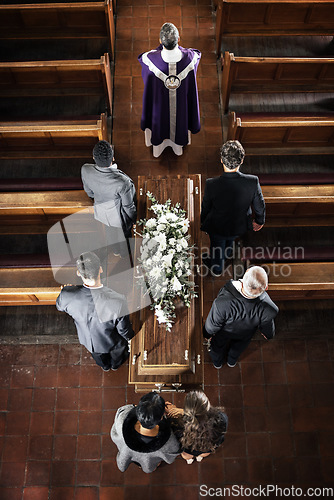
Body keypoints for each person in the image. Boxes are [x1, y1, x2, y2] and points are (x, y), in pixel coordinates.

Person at [56, 251, 134, 371]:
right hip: (112, 341)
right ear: (101, 269)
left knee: (100, 360)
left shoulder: (67, 295)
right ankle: (115, 366)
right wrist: (131, 338)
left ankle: (105, 367)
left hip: (88, 341)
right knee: (117, 358)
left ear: (78, 273)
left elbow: (59, 306)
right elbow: (124, 330)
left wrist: (68, 290)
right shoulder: (118, 301)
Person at [200, 140, 265, 277]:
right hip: (239, 225)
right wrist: (259, 220)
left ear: (221, 160)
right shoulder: (252, 181)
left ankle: (217, 269)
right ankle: (228, 252)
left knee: (217, 247)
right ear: (241, 161)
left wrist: (204, 223)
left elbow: (206, 206)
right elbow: (259, 205)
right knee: (230, 240)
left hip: (217, 226)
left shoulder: (211, 184)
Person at [138, 22, 201, 157]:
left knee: (160, 120)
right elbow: (195, 53)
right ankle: (178, 147)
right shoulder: (191, 58)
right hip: (181, 107)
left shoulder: (150, 60)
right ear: (178, 39)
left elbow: (144, 59)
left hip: (159, 109)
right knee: (179, 119)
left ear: (160, 41)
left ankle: (158, 148)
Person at [204, 266, 279, 369]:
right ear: (266, 287)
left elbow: (213, 324)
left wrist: (207, 334)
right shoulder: (270, 308)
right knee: (238, 348)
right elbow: (267, 326)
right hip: (246, 334)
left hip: (224, 332)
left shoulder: (221, 302)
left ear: (245, 274)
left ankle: (217, 363)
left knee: (217, 347)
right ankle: (232, 361)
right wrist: (269, 335)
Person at [81, 140, 137, 255]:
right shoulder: (122, 182)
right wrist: (134, 219)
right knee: (125, 236)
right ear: (113, 158)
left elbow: (90, 193)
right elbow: (128, 206)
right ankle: (126, 254)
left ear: (93, 157)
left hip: (102, 213)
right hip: (119, 218)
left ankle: (116, 251)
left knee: (109, 231)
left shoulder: (85, 169)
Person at [111, 392, 180, 473]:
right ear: (161, 417)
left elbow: (124, 411)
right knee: (148, 465)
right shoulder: (169, 440)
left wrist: (150, 410)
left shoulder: (122, 419)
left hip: (127, 452)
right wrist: (162, 412)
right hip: (149, 460)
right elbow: (171, 456)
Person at [165, 391, 228, 464]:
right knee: (204, 454)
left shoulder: (178, 425)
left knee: (186, 456)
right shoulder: (221, 418)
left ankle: (189, 460)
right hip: (207, 447)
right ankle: (200, 457)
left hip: (188, 450)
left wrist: (175, 413)